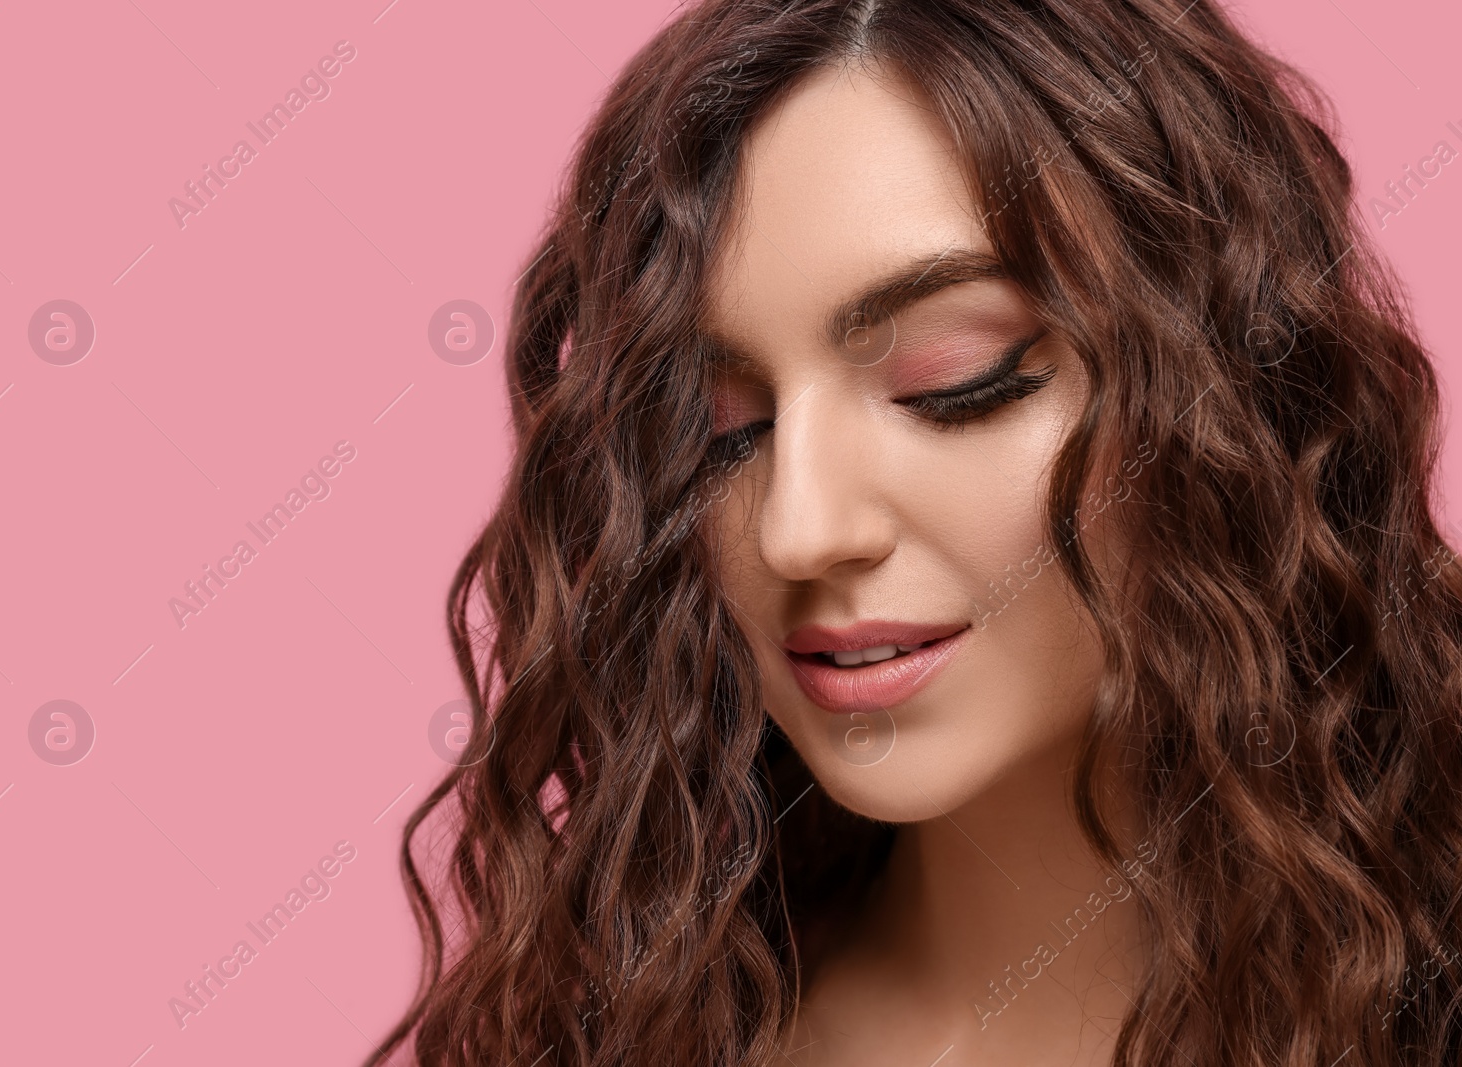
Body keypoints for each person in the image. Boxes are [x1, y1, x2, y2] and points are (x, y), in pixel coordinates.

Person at [367, 1, 1462, 1064]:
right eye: (722, 433)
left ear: (1228, 393)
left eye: (955, 382)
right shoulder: (621, 1028)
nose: (801, 530)